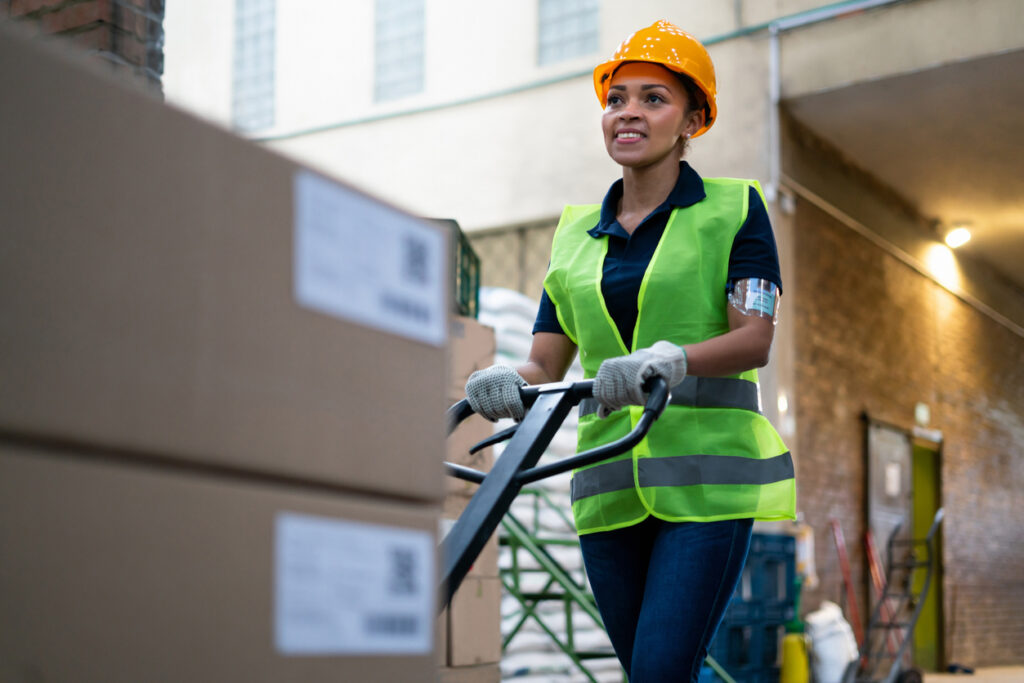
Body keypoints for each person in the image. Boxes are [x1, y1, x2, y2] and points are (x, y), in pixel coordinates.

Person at [465, 20, 796, 682]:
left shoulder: (734, 210)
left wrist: (673, 359)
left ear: (692, 119)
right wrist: (501, 380)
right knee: (651, 671)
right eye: (616, 99)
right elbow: (546, 364)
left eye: (653, 98)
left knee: (658, 672)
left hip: (706, 488)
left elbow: (754, 337)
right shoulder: (573, 240)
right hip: (608, 491)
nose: (628, 114)